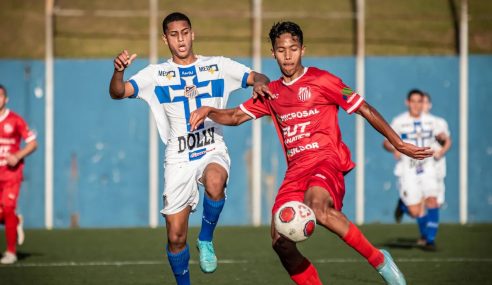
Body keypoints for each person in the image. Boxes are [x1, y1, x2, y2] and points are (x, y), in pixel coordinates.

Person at [189, 21, 433, 285]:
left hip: (326, 160)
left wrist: (397, 142)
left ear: (303, 49)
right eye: (281, 50)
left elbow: (364, 107)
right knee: (279, 241)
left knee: (318, 207)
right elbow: (236, 116)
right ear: (273, 53)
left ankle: (379, 260)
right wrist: (209, 111)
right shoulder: (271, 93)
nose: (287, 55)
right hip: (296, 171)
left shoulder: (323, 80)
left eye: (293, 49)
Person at [108, 12, 270, 285]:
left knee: (216, 181)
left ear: (192, 34)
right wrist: (119, 70)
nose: (181, 39)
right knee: (175, 236)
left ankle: (205, 239)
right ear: (165, 39)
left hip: (211, 147)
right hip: (178, 157)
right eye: (174, 34)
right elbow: (117, 92)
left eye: (185, 32)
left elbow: (258, 76)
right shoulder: (155, 74)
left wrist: (261, 84)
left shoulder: (218, 66)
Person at [388, 90, 451, 251]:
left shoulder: (432, 121)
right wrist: (393, 147)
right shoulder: (399, 121)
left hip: (428, 167)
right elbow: (386, 142)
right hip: (408, 169)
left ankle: (429, 240)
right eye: (413, 101)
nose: (417, 104)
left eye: (419, 101)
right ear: (407, 102)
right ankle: (404, 206)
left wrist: (443, 140)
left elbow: (446, 140)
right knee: (415, 211)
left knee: (432, 200)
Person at [0, 84, 37, 264]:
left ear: (6, 99)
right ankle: (15, 220)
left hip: (11, 174)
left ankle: (11, 252)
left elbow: (32, 143)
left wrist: (17, 155)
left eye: (0, 96)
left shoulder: (15, 120)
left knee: (7, 208)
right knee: (6, 215)